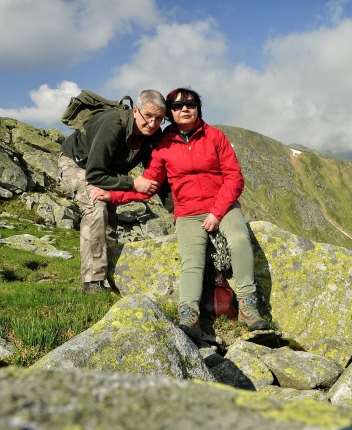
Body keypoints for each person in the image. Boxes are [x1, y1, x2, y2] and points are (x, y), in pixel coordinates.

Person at [89, 87, 269, 337]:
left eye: (191, 104)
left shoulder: (215, 137)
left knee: (239, 240)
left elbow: (234, 178)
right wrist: (113, 196)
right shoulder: (163, 146)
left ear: (198, 108)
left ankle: (248, 307)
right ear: (170, 114)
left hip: (224, 207)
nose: (185, 109)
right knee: (192, 262)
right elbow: (149, 184)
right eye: (177, 105)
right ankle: (189, 317)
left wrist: (217, 213)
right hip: (188, 212)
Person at [59, 89, 166, 294]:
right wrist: (133, 183)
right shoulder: (112, 125)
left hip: (105, 170)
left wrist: (178, 213)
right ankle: (92, 282)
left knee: (109, 216)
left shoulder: (152, 136)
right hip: (78, 164)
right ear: (136, 111)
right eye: (148, 116)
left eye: (159, 119)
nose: (152, 124)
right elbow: (95, 174)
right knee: (96, 207)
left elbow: (159, 176)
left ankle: (109, 279)